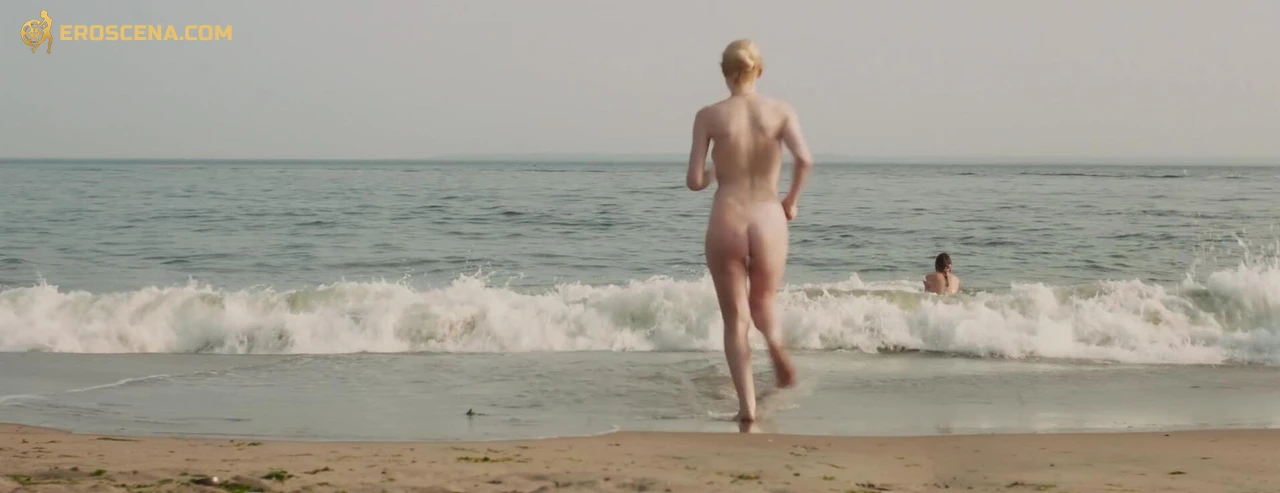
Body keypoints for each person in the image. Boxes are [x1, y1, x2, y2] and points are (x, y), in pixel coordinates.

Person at [685, 39, 813, 425]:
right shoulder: (780, 111)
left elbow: (694, 181)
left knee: (735, 319)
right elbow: (804, 159)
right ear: (760, 70)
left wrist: (715, 171)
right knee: (763, 304)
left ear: (725, 73)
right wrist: (791, 201)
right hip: (768, 216)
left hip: (727, 217)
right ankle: (775, 345)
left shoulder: (708, 116)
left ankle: (748, 408)